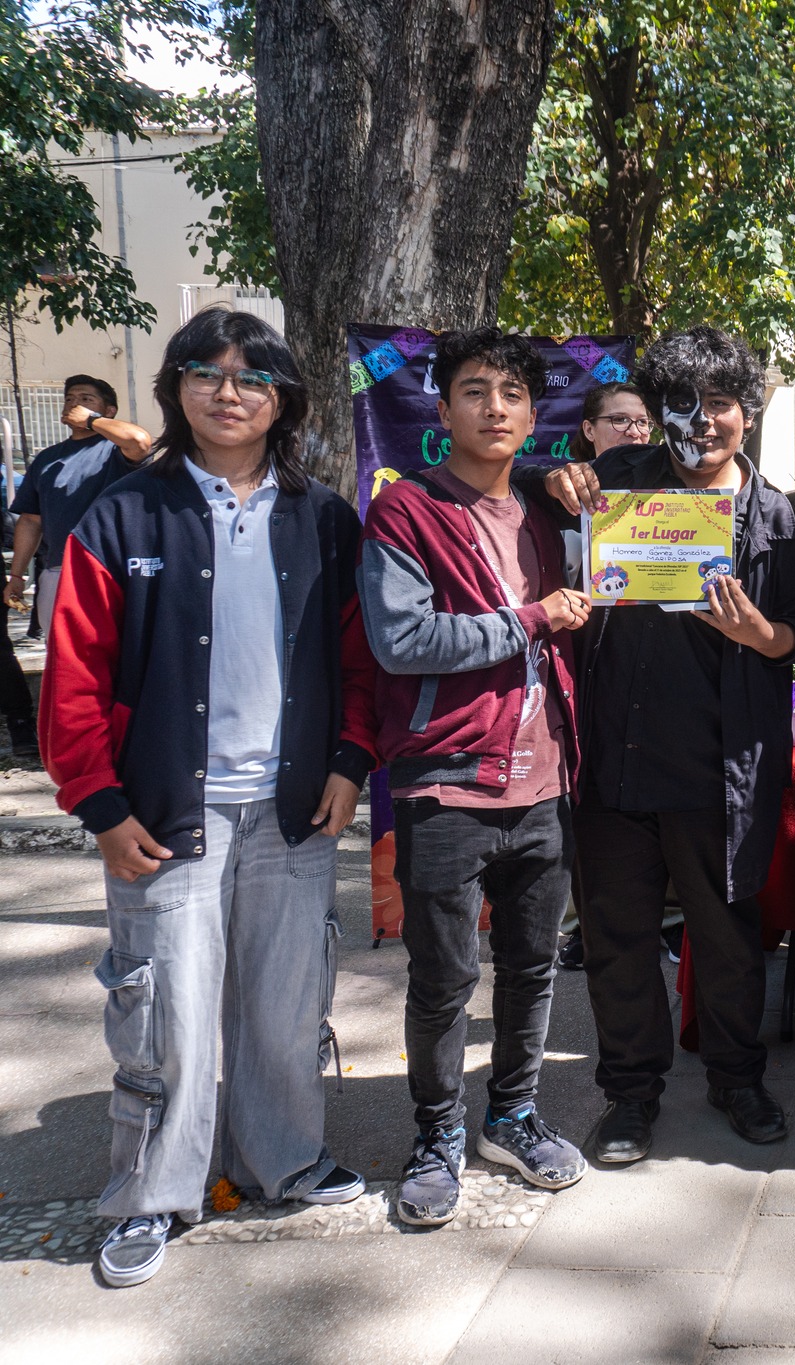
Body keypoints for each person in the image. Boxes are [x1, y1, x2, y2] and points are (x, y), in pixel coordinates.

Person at [40, 310, 375, 1288]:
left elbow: (360, 662)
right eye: (205, 373)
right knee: (165, 1017)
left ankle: (281, 1162)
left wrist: (351, 762)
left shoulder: (322, 518)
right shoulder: (125, 514)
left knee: (283, 1008)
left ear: (285, 401)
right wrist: (99, 804)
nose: (228, 393)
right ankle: (152, 1194)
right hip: (162, 817)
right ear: (175, 390)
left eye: (252, 377)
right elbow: (72, 677)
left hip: (293, 809)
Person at [530, 328, 795, 1160]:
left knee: (727, 936)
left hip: (723, 768)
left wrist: (764, 635)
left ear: (748, 412)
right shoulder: (616, 482)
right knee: (618, 941)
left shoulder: (778, 516)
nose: (701, 423)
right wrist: (553, 475)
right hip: (616, 761)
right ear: (657, 416)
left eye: (719, 405)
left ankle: (737, 1076)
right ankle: (630, 1096)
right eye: (681, 407)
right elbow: (515, 483)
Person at [358, 326, 591, 1225]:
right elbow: (402, 641)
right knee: (444, 976)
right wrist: (531, 617)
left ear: (534, 414)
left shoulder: (545, 510)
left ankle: (514, 1115)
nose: (494, 408)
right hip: (446, 781)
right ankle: (436, 1133)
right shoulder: (405, 511)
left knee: (533, 969)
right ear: (441, 405)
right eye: (475, 391)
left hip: (546, 782)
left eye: (512, 395)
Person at [555, 378, 653, 972]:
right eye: (619, 421)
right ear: (588, 431)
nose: (634, 432)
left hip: (641, 688)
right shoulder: (556, 495)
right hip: (573, 687)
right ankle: (581, 927)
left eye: (642, 423)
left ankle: (663, 924)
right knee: (585, 818)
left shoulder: (668, 497)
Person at [6, 374, 152, 634]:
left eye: (86, 399)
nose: (75, 405)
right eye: (70, 399)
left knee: (117, 661)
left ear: (109, 411)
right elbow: (31, 521)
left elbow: (140, 441)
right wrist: (17, 576)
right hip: (57, 571)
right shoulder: (47, 459)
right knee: (64, 662)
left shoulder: (116, 450)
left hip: (111, 570)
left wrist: (91, 420)